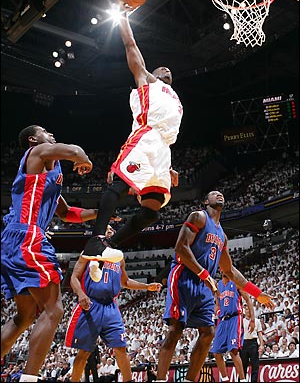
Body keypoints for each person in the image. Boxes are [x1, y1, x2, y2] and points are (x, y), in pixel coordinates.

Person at [0, 124, 119, 383]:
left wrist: (99, 214)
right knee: (53, 309)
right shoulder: (38, 152)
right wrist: (84, 159)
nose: (50, 134)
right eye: (44, 131)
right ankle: (29, 379)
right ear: (33, 139)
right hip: (27, 236)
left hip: (16, 239)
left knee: (25, 316)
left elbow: (66, 214)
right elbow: (75, 151)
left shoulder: (50, 176)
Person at [82, 0, 183, 262]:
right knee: (118, 185)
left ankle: (109, 246)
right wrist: (123, 17)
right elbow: (131, 46)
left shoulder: (174, 97)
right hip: (145, 138)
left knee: (152, 210)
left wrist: (169, 166)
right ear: (152, 72)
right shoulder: (146, 81)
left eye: (169, 69)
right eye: (161, 68)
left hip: (162, 150)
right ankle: (95, 239)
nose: (166, 69)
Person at [155, 190, 275, 382]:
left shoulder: (222, 236)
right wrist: (204, 275)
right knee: (175, 330)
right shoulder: (198, 217)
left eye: (221, 194)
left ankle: (189, 380)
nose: (219, 195)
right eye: (214, 193)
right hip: (184, 277)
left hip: (205, 285)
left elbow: (229, 270)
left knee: (208, 333)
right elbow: (181, 248)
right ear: (206, 201)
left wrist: (257, 293)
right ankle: (160, 379)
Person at [65, 225, 162, 383]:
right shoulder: (89, 251)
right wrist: (81, 294)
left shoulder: (119, 258)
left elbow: (125, 281)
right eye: (107, 229)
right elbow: (74, 277)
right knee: (84, 353)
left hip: (111, 306)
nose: (111, 231)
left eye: (112, 230)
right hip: (91, 304)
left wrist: (146, 287)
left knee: (120, 348)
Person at [211, 273, 255, 383]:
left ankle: (243, 380)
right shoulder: (218, 285)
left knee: (233, 351)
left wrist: (252, 320)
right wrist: (217, 310)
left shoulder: (236, 283)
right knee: (216, 352)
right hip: (223, 320)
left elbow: (248, 300)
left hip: (235, 318)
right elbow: (217, 304)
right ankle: (225, 379)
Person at [240, 303, 264, 382]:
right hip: (244, 343)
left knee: (255, 365)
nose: (248, 311)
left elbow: (260, 333)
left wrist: (261, 345)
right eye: (246, 309)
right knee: (243, 365)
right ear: (244, 311)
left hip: (253, 343)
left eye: (250, 310)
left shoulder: (256, 321)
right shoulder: (241, 321)